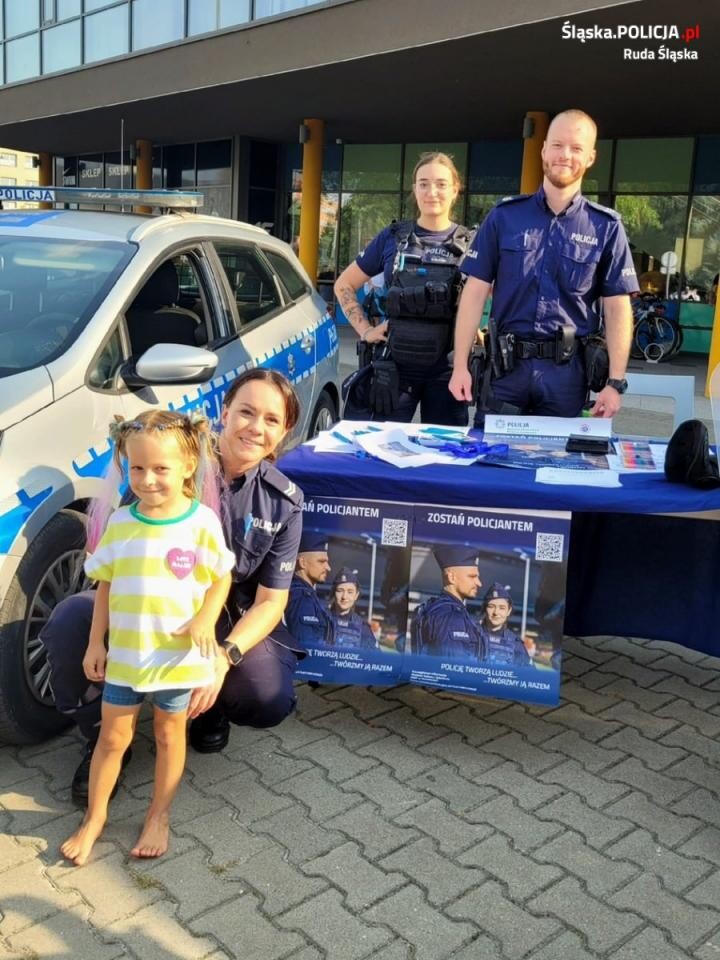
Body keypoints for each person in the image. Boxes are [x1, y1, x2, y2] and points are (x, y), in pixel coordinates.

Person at [41, 369, 304, 805]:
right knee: (70, 621)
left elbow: (271, 602)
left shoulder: (283, 502)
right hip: (144, 601)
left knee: (266, 693)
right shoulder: (168, 460)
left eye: (272, 420)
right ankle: (104, 737)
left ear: (285, 431)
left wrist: (223, 658)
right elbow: (121, 551)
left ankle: (209, 710)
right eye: (246, 412)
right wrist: (102, 635)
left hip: (219, 620)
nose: (256, 427)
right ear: (224, 413)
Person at [60, 411, 235, 865]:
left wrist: (205, 620)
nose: (147, 479)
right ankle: (94, 817)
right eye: (137, 468)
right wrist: (96, 642)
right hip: (127, 656)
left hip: (176, 658)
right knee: (112, 738)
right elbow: (105, 584)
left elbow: (221, 577)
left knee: (169, 733)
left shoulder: (201, 523)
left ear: (188, 466)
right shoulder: (121, 522)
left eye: (160, 468)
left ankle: (159, 814)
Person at [450, 109, 639, 422]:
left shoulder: (605, 227)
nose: (565, 155)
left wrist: (615, 382)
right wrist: (460, 365)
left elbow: (618, 307)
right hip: (505, 372)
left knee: (560, 454)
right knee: (491, 452)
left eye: (576, 148)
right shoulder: (504, 216)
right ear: (543, 150)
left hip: (567, 377)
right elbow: (475, 291)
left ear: (590, 157)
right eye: (557, 145)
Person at [334, 151, 473, 425]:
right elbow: (344, 285)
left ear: (455, 190)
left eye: (441, 184)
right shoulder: (392, 237)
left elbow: (492, 294)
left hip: (448, 369)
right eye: (423, 184)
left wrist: (477, 329)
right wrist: (366, 330)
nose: (431, 192)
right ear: (414, 189)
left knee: (442, 449)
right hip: (394, 366)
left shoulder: (472, 243)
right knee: (383, 446)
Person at [411, 546, 486, 659]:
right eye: (472, 576)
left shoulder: (437, 608)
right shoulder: (451, 617)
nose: (479, 583)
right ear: (451, 578)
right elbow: (454, 666)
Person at [284, 531, 334, 650]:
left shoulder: (304, 594)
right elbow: (307, 649)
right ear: (302, 563)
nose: (328, 568)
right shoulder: (301, 598)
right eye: (321, 562)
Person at [479, 582, 533, 668]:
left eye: (502, 608)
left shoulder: (516, 644)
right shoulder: (470, 634)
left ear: (508, 611)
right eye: (491, 606)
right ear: (485, 608)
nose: (496, 612)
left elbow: (529, 673)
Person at [328, 567, 377, 649]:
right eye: (340, 590)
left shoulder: (363, 628)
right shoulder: (322, 620)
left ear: (356, 595)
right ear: (333, 593)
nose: (344, 597)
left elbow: (374, 655)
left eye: (350, 592)